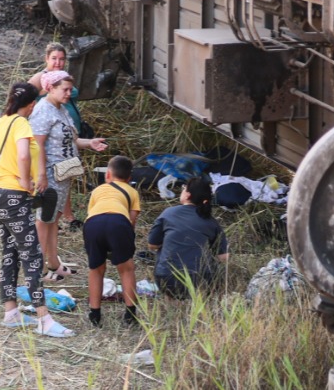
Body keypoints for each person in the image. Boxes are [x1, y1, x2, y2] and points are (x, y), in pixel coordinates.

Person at [0, 82, 75, 337]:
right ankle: (44, 318)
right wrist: (25, 180)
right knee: (32, 254)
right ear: (32, 104)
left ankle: (11, 311)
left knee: (10, 251)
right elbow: (24, 155)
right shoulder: (21, 123)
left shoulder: (1, 122)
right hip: (15, 195)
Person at [30, 70, 108, 282]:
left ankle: (53, 262)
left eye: (70, 89)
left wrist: (89, 143)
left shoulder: (62, 108)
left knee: (54, 218)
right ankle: (37, 268)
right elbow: (37, 145)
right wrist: (40, 175)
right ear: (50, 88)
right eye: (65, 89)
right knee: (44, 219)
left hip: (64, 172)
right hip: (50, 173)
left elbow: (72, 140)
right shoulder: (43, 110)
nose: (69, 93)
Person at [28, 43, 87, 230]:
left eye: (62, 59)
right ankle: (61, 217)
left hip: (66, 136)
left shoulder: (64, 78)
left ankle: (65, 215)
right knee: (50, 202)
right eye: (54, 58)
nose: (58, 62)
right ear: (46, 59)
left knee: (64, 180)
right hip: (51, 141)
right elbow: (23, 96)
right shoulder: (41, 79)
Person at [83, 155, 141, 327]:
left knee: (96, 269)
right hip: (119, 222)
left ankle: (95, 314)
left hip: (93, 224)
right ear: (129, 178)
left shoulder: (97, 190)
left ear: (108, 174)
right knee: (126, 269)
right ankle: (130, 315)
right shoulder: (132, 192)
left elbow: (92, 213)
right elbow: (131, 221)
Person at [147, 177, 229, 298]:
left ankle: (172, 303)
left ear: (187, 195)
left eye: (183, 189)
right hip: (201, 279)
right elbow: (223, 257)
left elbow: (152, 245)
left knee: (163, 253)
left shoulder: (168, 213)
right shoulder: (211, 222)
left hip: (167, 278)